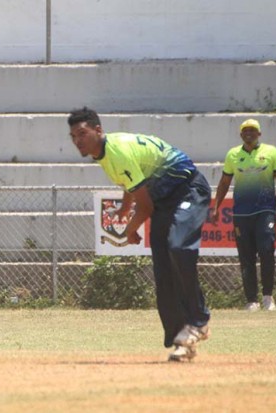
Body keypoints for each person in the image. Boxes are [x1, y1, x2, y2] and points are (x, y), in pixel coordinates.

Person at [68, 107, 211, 362]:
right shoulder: (105, 153)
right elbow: (132, 182)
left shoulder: (116, 152)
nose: (77, 141)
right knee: (163, 270)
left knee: (178, 247)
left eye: (82, 134)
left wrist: (130, 229)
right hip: (164, 199)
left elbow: (145, 207)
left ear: (98, 130)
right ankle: (183, 339)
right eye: (73, 137)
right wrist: (125, 208)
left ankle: (199, 321)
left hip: (188, 189)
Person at [210, 119, 276, 311]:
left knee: (266, 250)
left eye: (253, 130)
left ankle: (268, 297)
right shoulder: (233, 154)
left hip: (265, 210)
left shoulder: (271, 152)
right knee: (246, 256)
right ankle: (251, 300)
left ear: (259, 134)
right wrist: (215, 207)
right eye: (245, 131)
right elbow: (224, 183)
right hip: (241, 213)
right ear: (241, 135)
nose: (249, 133)